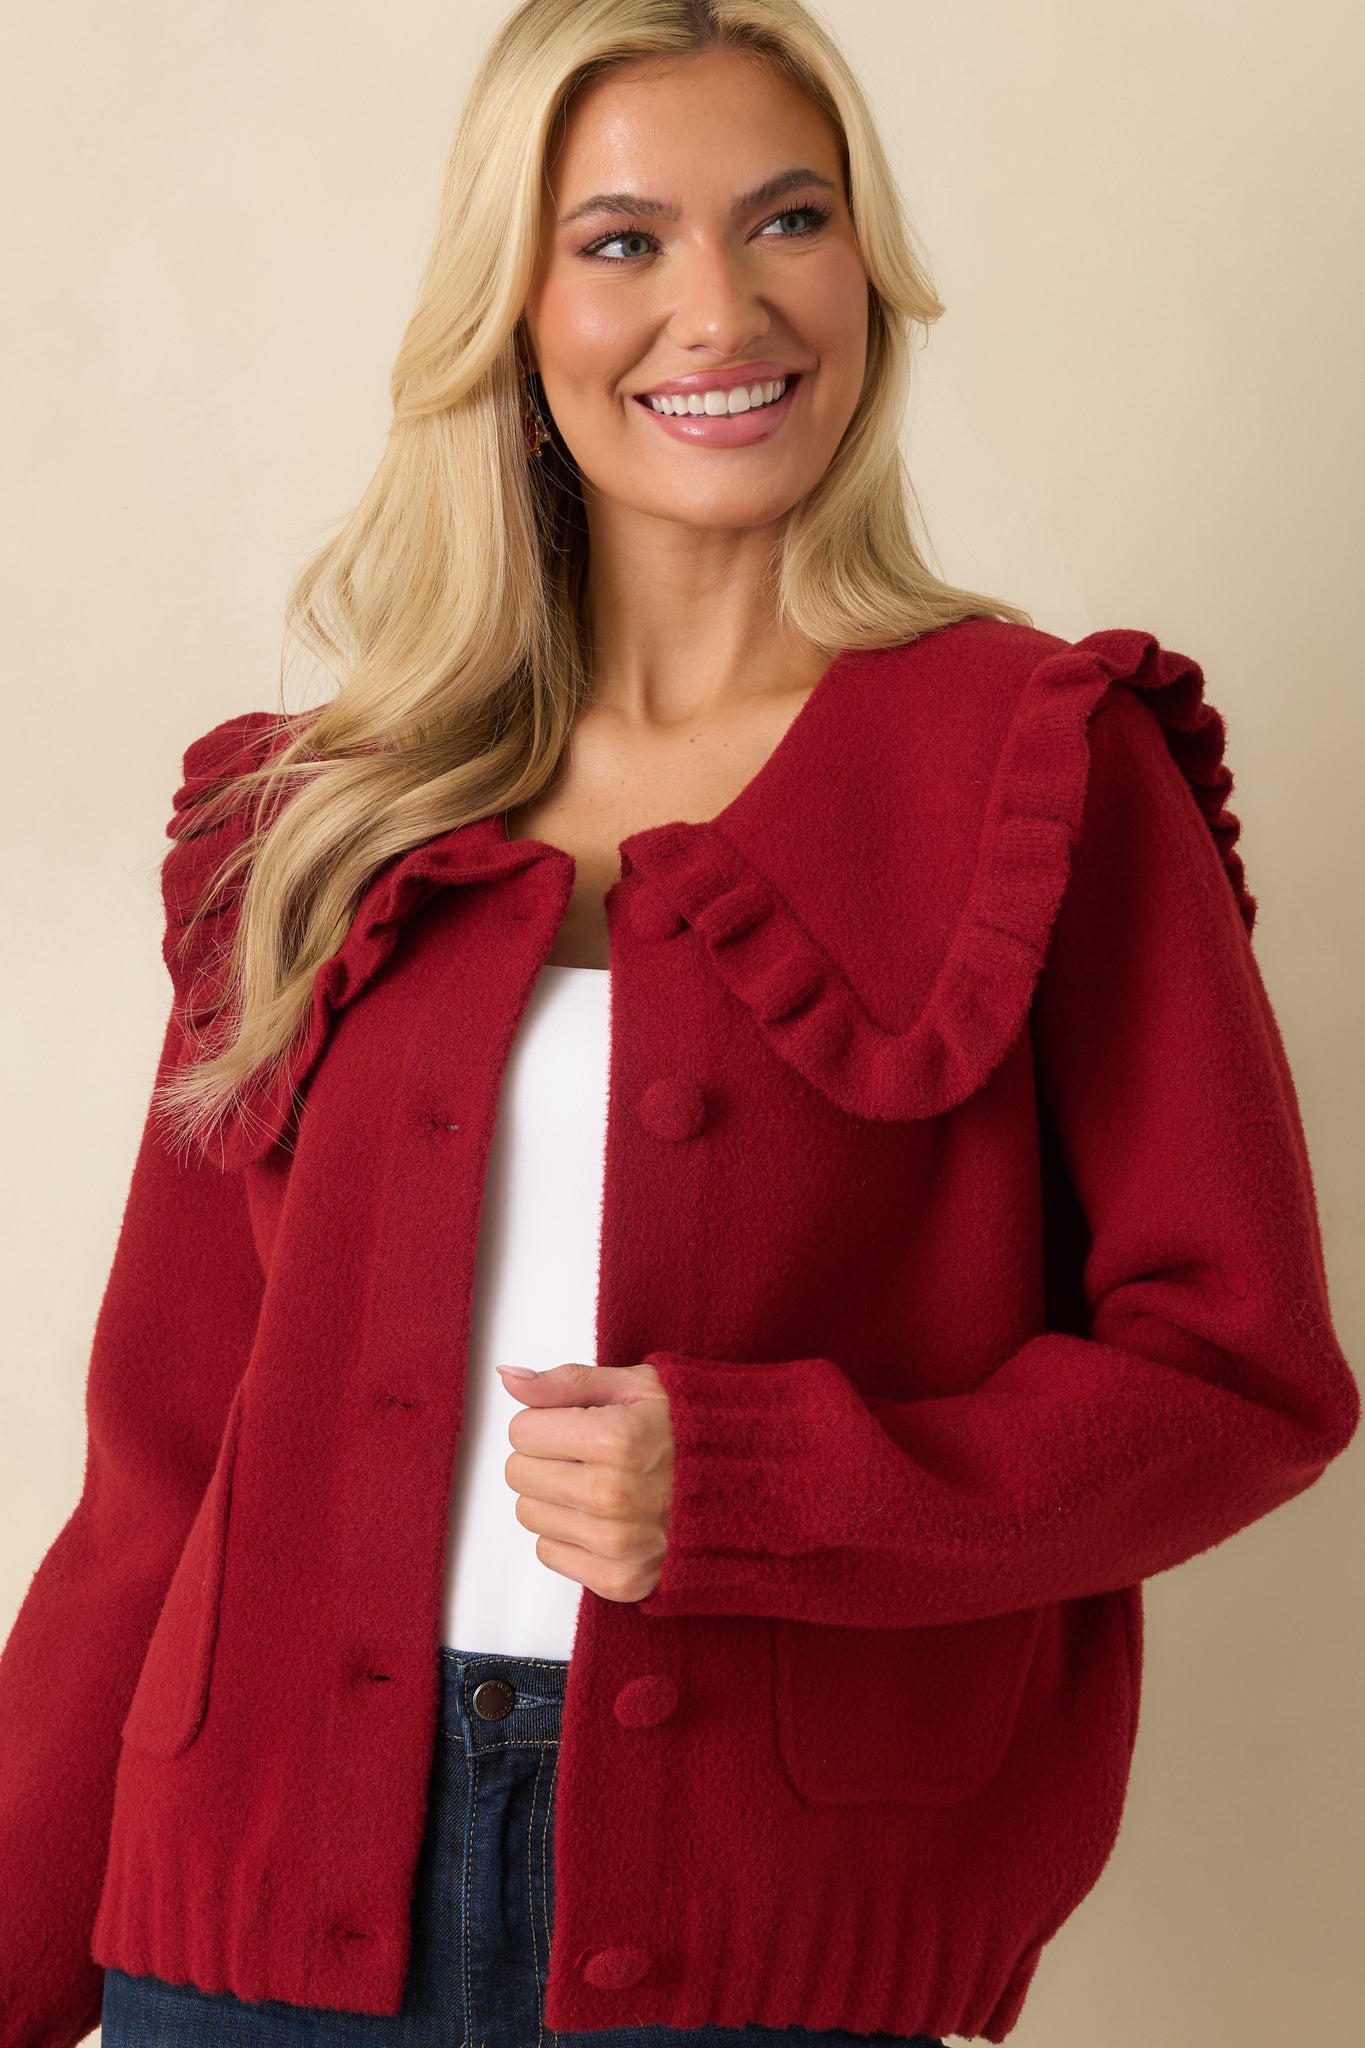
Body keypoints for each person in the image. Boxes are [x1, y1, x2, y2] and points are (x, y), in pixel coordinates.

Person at [1, 1, 1357, 2043]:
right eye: (621, 239)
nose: (715, 309)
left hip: (760, 1941)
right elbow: (163, 1467)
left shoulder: (1039, 766)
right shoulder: (326, 812)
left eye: (784, 219)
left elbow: (1236, 1374)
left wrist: (771, 1483)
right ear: (513, 314)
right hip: (243, 1926)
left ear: (865, 274)